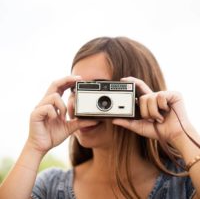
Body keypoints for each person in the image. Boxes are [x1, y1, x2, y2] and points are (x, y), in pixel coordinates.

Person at [0, 36, 200, 199]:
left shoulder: (184, 183)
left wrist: (181, 133)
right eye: (75, 89)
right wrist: (34, 147)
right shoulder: (50, 186)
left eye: (98, 90)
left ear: (139, 97)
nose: (79, 104)